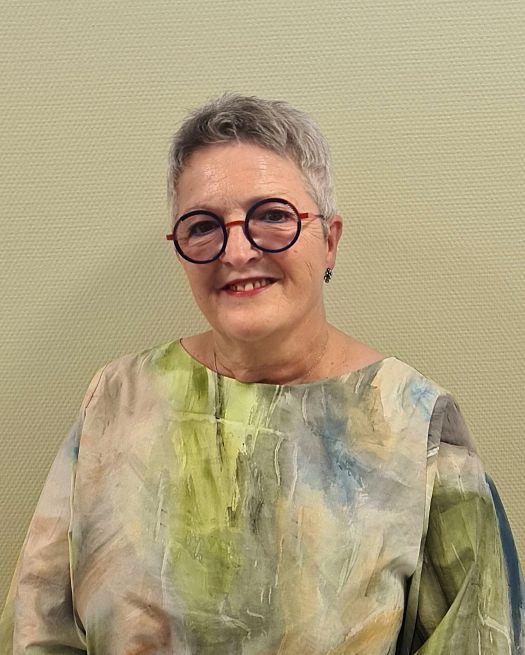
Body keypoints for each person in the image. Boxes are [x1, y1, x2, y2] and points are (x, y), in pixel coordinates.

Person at [1, 94, 523, 654]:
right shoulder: (117, 400)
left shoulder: (413, 425)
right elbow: (38, 629)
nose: (236, 250)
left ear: (330, 240)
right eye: (203, 226)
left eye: (272, 216)